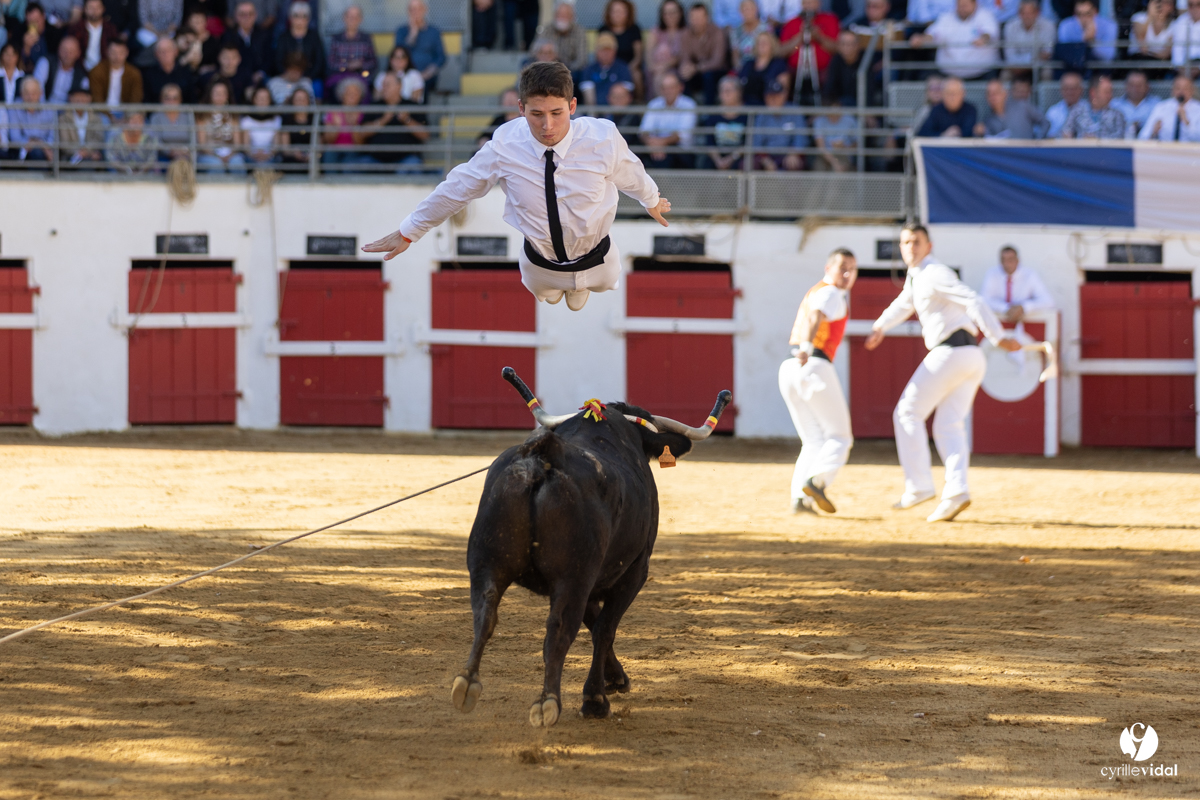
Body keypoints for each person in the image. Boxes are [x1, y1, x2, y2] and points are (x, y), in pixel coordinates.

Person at [363, 61, 672, 312]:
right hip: (539, 263)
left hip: (600, 259)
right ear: (521, 108)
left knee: (591, 291)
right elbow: (459, 186)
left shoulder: (602, 137)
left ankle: (578, 287)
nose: (547, 126)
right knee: (546, 294)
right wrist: (410, 229)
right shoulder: (505, 144)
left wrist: (651, 199)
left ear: (573, 106)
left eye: (556, 113)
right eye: (536, 114)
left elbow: (632, 173)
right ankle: (557, 289)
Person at [864, 223, 1021, 523]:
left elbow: (973, 300)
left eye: (916, 242)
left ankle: (919, 485)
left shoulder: (935, 273)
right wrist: (880, 326)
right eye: (906, 242)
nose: (910, 247)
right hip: (968, 356)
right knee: (948, 426)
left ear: (929, 245)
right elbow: (904, 303)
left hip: (951, 353)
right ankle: (957, 492)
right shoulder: (918, 277)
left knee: (907, 413)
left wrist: (998, 336)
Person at [778, 247, 857, 515]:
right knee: (840, 437)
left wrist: (803, 349)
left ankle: (799, 498)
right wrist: (808, 346)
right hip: (813, 363)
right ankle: (818, 481)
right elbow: (815, 317)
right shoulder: (832, 293)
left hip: (790, 367)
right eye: (842, 268)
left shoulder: (818, 290)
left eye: (852, 269)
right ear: (828, 268)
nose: (847, 274)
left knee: (813, 440)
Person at [909, 0, 999, 80]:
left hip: (981, 74)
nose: (962, 8)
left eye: (965, 5)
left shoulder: (986, 16)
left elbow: (989, 33)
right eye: (959, 5)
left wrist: (983, 39)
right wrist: (921, 39)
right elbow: (933, 34)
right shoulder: (947, 18)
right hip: (948, 76)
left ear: (974, 4)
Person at [358, 71, 428, 171]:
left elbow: (425, 135)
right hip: (375, 159)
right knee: (355, 166)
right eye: (383, 85)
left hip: (405, 160)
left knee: (414, 167)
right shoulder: (374, 106)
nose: (384, 88)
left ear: (399, 86)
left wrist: (407, 120)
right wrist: (383, 120)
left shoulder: (412, 105)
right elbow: (361, 133)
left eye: (388, 85)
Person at [979, 245, 1055, 324]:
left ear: (1017, 260)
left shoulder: (1029, 275)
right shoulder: (992, 274)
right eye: (1003, 260)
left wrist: (1024, 307)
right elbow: (983, 300)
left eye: (1010, 260)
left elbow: (1048, 301)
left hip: (1025, 326)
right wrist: (1005, 308)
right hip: (998, 324)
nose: (1007, 264)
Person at [780, 0, 840, 96]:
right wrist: (800, 37)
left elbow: (837, 48)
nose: (808, 6)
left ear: (819, 3)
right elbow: (782, 51)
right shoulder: (792, 23)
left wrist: (819, 37)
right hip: (795, 73)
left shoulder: (830, 20)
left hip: (824, 72)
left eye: (811, 2)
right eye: (805, 3)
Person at [638, 71, 697, 168]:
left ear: (680, 87)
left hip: (681, 151)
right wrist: (652, 144)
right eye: (664, 88)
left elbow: (683, 135)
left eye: (671, 87)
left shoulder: (689, 104)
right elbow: (644, 131)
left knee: (665, 158)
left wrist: (661, 143)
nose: (668, 91)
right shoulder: (654, 104)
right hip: (654, 148)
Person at [753, 76, 807, 170]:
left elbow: (801, 139)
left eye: (777, 96)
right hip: (767, 155)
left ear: (784, 95)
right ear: (765, 97)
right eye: (770, 96)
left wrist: (793, 153)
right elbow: (756, 143)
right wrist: (765, 159)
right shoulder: (762, 115)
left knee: (794, 163)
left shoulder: (794, 111)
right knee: (750, 164)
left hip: (788, 154)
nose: (773, 100)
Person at [678, 2, 726, 105]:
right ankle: (687, 110)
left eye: (699, 18)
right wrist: (686, 68)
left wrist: (696, 68)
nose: (696, 21)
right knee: (683, 76)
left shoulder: (717, 32)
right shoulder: (685, 34)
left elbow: (717, 61)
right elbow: (685, 58)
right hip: (696, 73)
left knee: (708, 76)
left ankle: (709, 113)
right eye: (693, 18)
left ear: (707, 17)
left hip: (716, 72)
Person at [394, 0, 444, 96]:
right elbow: (398, 54)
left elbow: (441, 57)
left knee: (419, 85)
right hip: (404, 75)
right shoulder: (401, 31)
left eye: (418, 9)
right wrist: (413, 34)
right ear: (408, 12)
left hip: (427, 75)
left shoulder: (434, 32)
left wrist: (428, 72)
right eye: (412, 10)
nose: (415, 12)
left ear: (425, 10)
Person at [699, 75, 748, 169]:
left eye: (729, 90)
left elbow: (747, 143)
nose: (725, 94)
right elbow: (710, 142)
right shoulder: (713, 115)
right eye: (722, 91)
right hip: (717, 157)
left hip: (737, 157)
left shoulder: (746, 114)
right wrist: (718, 160)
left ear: (739, 92)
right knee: (706, 164)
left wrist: (731, 158)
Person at [196, 78, 246, 172]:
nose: (220, 97)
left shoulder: (233, 115)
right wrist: (217, 157)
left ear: (227, 95)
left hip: (230, 154)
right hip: (208, 154)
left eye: (223, 93)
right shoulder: (202, 115)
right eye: (217, 93)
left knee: (237, 163)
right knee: (216, 165)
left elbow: (237, 143)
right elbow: (202, 144)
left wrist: (229, 156)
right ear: (210, 95)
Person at [321, 76, 368, 169]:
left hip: (353, 150)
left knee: (350, 160)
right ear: (342, 95)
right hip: (334, 149)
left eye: (355, 93)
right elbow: (328, 140)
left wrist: (354, 126)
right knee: (330, 153)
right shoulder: (333, 112)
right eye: (349, 93)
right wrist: (336, 127)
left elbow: (360, 144)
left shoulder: (363, 114)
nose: (352, 96)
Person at [327, 4, 375, 95]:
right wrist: (346, 65)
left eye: (356, 17)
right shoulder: (336, 38)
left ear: (361, 19)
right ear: (344, 18)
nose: (352, 20)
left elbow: (373, 63)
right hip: (340, 78)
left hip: (361, 77)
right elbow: (331, 63)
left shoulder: (366, 38)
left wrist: (360, 65)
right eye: (350, 17)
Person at [974, 75, 1045, 137]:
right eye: (989, 94)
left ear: (1005, 93)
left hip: (1029, 151)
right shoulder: (988, 120)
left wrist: (1037, 143)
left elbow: (1045, 122)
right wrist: (980, 133)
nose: (992, 97)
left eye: (996, 93)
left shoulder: (1023, 106)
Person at [275, 1, 324, 88]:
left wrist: (309, 76)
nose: (300, 20)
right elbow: (278, 60)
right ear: (290, 18)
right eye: (296, 16)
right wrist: (288, 75)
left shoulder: (314, 37)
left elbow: (319, 61)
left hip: (310, 78)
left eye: (304, 16)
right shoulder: (283, 37)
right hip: (286, 77)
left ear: (308, 19)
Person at [1061, 74, 1128, 138]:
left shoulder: (1117, 115)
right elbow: (1066, 131)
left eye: (1111, 92)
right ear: (1093, 93)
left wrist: (1097, 140)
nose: (1110, 96)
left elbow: (1120, 138)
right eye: (1106, 92)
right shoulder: (1076, 111)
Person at [1138, 73, 1200, 141]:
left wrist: (1186, 122)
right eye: (1178, 88)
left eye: (1185, 89)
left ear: (1192, 90)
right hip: (1165, 149)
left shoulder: (1198, 109)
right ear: (1172, 90)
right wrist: (1153, 133)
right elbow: (1142, 136)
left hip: (1190, 150)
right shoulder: (1161, 107)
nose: (1181, 92)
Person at [599, 0, 641, 98]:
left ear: (628, 13)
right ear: (609, 13)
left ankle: (638, 103)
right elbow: (600, 53)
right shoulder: (604, 29)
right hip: (609, 66)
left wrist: (628, 69)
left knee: (636, 75)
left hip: (629, 67)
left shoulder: (634, 29)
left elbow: (638, 56)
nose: (618, 14)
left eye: (621, 11)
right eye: (615, 11)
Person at [6, 76, 54, 162]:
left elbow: (53, 138)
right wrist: (38, 144)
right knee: (36, 153)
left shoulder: (49, 110)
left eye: (34, 93)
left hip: (46, 153)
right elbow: (15, 137)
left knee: (40, 154)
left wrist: (39, 144)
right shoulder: (14, 108)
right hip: (22, 152)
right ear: (21, 94)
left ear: (41, 93)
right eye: (26, 93)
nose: (30, 97)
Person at [1055, 0, 1117, 67]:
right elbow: (1063, 54)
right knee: (1070, 77)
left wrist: (1092, 42)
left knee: (1102, 77)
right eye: (1079, 14)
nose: (1084, 18)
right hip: (1073, 67)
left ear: (1095, 12)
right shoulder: (1065, 26)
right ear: (1074, 13)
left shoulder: (1109, 25)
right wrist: (1083, 42)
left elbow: (1109, 56)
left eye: (1088, 14)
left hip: (1099, 67)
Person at [578, 31, 633, 105]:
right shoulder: (589, 69)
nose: (606, 53)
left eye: (609, 50)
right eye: (602, 50)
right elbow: (588, 97)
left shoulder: (623, 68)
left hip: (617, 111)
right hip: (595, 111)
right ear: (596, 51)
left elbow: (625, 95)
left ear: (615, 51)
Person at [645, 0, 684, 102]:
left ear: (680, 13)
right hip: (656, 70)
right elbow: (648, 54)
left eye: (672, 12)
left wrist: (665, 66)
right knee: (657, 76)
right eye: (666, 13)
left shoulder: (685, 32)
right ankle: (659, 106)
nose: (669, 16)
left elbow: (682, 56)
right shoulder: (655, 31)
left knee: (662, 78)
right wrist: (654, 66)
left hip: (676, 70)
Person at [58, 84, 107, 165]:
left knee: (94, 160)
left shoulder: (96, 118)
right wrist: (80, 152)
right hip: (70, 156)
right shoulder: (63, 118)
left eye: (83, 96)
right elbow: (64, 143)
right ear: (70, 99)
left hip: (90, 155)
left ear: (89, 99)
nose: (79, 100)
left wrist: (87, 152)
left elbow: (98, 139)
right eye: (76, 96)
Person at [220, 1, 270, 80]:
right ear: (236, 16)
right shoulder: (228, 36)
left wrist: (261, 72)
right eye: (242, 14)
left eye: (250, 14)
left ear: (255, 16)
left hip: (259, 77)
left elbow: (268, 58)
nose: (246, 18)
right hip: (236, 77)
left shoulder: (264, 35)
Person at [533, 2, 586, 73]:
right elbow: (533, 52)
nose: (562, 18)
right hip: (546, 67)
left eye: (565, 15)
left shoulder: (579, 32)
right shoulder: (547, 30)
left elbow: (582, 60)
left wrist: (563, 70)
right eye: (559, 15)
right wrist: (546, 54)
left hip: (569, 70)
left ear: (572, 17)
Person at [1002, 0, 1055, 70]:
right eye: (1024, 13)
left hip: (1041, 66)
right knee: (1005, 75)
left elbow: (1047, 53)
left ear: (1037, 13)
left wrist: (1025, 64)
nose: (1027, 17)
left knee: (1047, 73)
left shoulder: (1048, 26)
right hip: (1016, 68)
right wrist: (1032, 59)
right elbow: (1010, 56)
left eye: (1030, 13)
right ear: (1019, 13)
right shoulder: (1010, 27)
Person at [34, 33, 87, 102]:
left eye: (71, 51)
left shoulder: (81, 74)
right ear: (58, 49)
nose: (67, 55)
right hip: (44, 108)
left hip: (68, 111)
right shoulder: (46, 62)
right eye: (64, 50)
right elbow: (37, 88)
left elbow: (83, 99)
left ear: (78, 53)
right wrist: (44, 110)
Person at [739, 29, 787, 105]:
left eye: (765, 42)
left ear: (772, 45)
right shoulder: (748, 64)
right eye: (759, 42)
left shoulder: (779, 65)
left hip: (769, 108)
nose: (762, 45)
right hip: (747, 105)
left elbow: (783, 90)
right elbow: (740, 85)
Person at [147, 81, 193, 161]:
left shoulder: (187, 117)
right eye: (168, 98)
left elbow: (193, 139)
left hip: (185, 155)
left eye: (175, 98)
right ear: (162, 100)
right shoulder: (156, 117)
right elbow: (155, 141)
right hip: (163, 157)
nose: (171, 102)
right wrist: (170, 151)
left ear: (180, 100)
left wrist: (183, 151)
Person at [89, 37, 142, 105]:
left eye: (121, 53)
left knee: (138, 115)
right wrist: (110, 115)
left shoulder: (134, 73)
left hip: (127, 112)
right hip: (102, 112)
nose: (117, 57)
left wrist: (128, 114)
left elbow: (136, 99)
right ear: (107, 52)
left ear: (127, 53)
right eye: (113, 53)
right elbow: (97, 99)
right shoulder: (97, 71)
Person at [67, 0, 116, 72]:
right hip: (79, 70)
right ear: (84, 9)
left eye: (97, 7)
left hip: (104, 71)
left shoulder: (110, 29)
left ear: (103, 9)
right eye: (91, 8)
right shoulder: (76, 29)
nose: (94, 11)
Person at [143, 37, 194, 102]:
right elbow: (147, 100)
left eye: (169, 50)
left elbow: (191, 98)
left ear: (176, 52)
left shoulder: (186, 72)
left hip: (182, 111)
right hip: (156, 111)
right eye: (161, 51)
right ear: (156, 54)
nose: (165, 54)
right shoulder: (149, 74)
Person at [240, 83, 281, 163]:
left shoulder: (276, 119)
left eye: (266, 98)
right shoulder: (246, 120)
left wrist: (268, 155)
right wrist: (254, 155)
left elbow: (276, 145)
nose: (263, 102)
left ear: (270, 101)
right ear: (254, 100)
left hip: (270, 157)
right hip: (251, 157)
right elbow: (246, 146)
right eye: (260, 98)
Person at [812, 98, 857, 170]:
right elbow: (821, 147)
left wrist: (844, 147)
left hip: (843, 155)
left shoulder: (849, 120)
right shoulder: (819, 121)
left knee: (838, 174)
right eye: (832, 113)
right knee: (818, 169)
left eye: (837, 111)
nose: (835, 115)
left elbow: (857, 143)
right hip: (825, 156)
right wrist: (834, 162)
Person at [1112, 69, 1159, 136]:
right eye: (1132, 85)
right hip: (1121, 144)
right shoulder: (1114, 105)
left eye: (1139, 85)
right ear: (1126, 86)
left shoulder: (1157, 105)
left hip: (1148, 144)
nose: (1135, 89)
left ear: (1147, 87)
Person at [1130, 0, 1175, 66]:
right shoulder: (1138, 17)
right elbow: (1141, 44)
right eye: (1159, 1)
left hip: (1158, 64)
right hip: (1137, 60)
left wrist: (1149, 53)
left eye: (1167, 3)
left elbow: (1166, 54)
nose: (1161, 5)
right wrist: (1150, 16)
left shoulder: (1173, 25)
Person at [1044, 71, 1085, 138]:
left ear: (1081, 90)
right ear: (1061, 90)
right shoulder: (1053, 112)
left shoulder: (1089, 109)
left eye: (1073, 89)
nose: (1070, 92)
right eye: (1066, 89)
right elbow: (1048, 136)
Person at [728, 0, 769, 68]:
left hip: (762, 67)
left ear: (756, 10)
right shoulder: (736, 31)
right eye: (745, 9)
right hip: (743, 68)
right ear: (740, 12)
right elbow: (735, 55)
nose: (747, 12)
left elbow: (770, 52)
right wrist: (740, 70)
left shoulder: (766, 28)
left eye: (750, 9)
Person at [279, 85, 312, 167]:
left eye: (303, 99)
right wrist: (293, 152)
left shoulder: (314, 119)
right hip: (291, 158)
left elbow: (319, 145)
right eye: (298, 100)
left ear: (308, 101)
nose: (300, 102)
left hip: (311, 158)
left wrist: (311, 154)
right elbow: (285, 148)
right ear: (292, 102)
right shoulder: (286, 120)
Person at [1170, 0, 1200, 68]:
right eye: (1191, 5)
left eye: (1198, 4)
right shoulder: (1180, 21)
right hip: (1184, 67)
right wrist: (1181, 69)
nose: (1195, 8)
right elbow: (1177, 49)